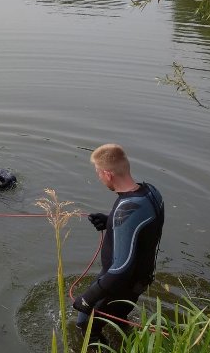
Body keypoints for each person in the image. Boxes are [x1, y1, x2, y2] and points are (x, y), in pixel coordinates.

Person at [72, 143, 164, 345]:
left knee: (86, 324)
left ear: (107, 174)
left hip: (121, 285)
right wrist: (109, 222)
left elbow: (121, 269)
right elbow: (144, 229)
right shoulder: (151, 192)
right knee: (118, 316)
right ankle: (131, 343)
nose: (99, 177)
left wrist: (87, 298)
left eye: (98, 173)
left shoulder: (126, 209)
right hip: (140, 280)